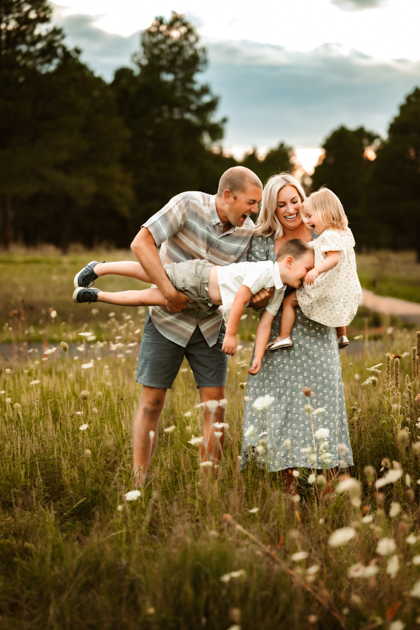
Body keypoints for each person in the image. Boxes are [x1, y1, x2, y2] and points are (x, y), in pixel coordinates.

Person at [74, 166, 263, 487]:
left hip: (210, 326)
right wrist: (168, 292)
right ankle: (138, 482)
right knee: (151, 403)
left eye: (258, 205)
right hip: (166, 319)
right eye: (251, 202)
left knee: (215, 409)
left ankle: (209, 488)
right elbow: (141, 244)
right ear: (228, 196)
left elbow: (252, 282)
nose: (255, 211)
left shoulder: (249, 232)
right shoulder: (188, 204)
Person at [240, 173, 354, 493]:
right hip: (278, 334)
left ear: (304, 200)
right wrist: (255, 299)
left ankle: (333, 499)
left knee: (326, 414)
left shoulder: (323, 233)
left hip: (318, 333)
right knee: (282, 415)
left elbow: (343, 276)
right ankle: (290, 502)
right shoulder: (261, 243)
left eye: (294, 201)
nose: (290, 209)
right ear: (271, 209)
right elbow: (250, 294)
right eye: (281, 205)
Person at [73, 240, 314, 361]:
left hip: (203, 300)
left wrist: (258, 356)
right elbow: (240, 297)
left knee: (144, 299)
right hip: (197, 278)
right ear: (290, 262)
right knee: (148, 271)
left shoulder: (280, 290)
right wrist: (231, 334)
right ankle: (98, 269)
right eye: (308, 269)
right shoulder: (265, 270)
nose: (309, 276)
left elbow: (265, 323)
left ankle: (97, 296)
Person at [269, 187, 362, 351]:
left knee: (288, 302)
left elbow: (334, 258)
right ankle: (341, 335)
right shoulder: (344, 233)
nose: (307, 221)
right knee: (337, 307)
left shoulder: (329, 235)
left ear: (325, 212)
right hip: (341, 288)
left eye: (310, 216)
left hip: (325, 287)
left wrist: (316, 270)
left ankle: (284, 336)